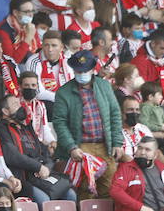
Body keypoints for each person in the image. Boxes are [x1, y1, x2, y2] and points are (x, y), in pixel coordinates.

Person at [52, 50, 123, 197]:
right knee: (84, 188)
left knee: (109, 186)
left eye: (85, 70)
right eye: (78, 71)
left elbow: (115, 114)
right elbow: (60, 123)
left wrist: (117, 142)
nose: (81, 73)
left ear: (92, 69)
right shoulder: (63, 92)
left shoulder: (104, 86)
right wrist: (71, 147)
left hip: (105, 145)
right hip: (81, 147)